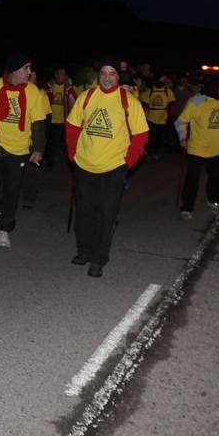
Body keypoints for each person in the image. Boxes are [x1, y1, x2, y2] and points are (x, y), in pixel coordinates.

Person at [66, 57, 149, 278]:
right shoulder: (87, 96)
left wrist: (126, 164)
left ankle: (98, 259)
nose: (107, 77)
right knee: (84, 213)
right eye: (104, 73)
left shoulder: (129, 101)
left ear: (117, 76)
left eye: (112, 73)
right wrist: (72, 155)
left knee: (106, 215)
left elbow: (141, 136)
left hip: (113, 169)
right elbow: (72, 126)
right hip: (84, 166)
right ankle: (83, 250)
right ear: (98, 75)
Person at [0, 52, 47, 247]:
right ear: (16, 70)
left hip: (19, 149)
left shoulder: (33, 92)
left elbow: (38, 123)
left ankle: (4, 229)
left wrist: (39, 148)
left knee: (11, 191)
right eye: (26, 68)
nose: (30, 72)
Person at [176, 76, 219, 219]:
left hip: (217, 148)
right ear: (213, 87)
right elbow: (180, 122)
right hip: (197, 148)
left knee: (215, 178)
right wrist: (183, 138)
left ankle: (214, 201)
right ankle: (187, 208)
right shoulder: (197, 100)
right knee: (192, 179)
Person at [44, 66, 75, 171]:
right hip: (51, 119)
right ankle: (48, 163)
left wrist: (69, 88)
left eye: (64, 74)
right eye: (61, 74)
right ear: (56, 75)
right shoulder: (50, 86)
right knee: (50, 142)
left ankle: (67, 165)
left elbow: (75, 100)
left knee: (63, 143)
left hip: (64, 120)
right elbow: (44, 101)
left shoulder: (68, 88)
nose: (63, 76)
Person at [142, 73, 177, 159]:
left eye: (163, 80)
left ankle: (156, 152)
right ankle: (150, 152)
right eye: (161, 79)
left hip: (163, 118)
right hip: (151, 117)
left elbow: (171, 104)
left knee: (160, 137)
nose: (162, 81)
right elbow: (144, 104)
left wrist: (170, 116)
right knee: (151, 137)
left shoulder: (168, 91)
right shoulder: (149, 91)